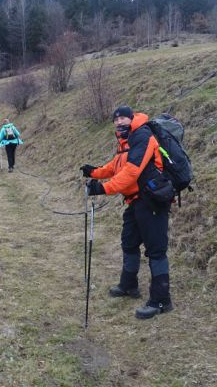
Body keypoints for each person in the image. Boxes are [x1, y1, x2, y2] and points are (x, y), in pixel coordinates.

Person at [80, 105, 173, 320]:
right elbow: (116, 166)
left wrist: (103, 188)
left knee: (156, 250)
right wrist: (94, 172)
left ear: (132, 119)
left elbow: (131, 172)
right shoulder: (127, 142)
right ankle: (129, 285)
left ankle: (161, 300)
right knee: (129, 242)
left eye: (123, 118)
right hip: (135, 201)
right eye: (116, 119)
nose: (119, 122)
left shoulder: (143, 136)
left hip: (152, 200)